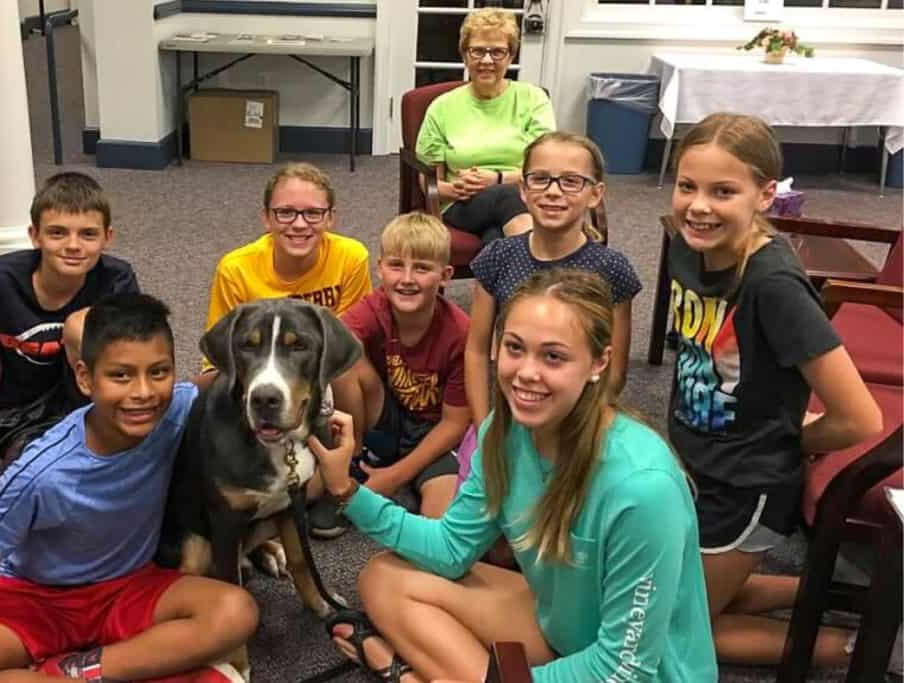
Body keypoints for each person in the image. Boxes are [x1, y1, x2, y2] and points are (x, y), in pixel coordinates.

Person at [310, 269, 718, 683]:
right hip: (564, 627)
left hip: (640, 675)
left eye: (553, 356)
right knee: (383, 578)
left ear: (599, 362)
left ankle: (402, 672)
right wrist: (347, 489)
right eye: (515, 348)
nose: (525, 373)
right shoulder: (502, 434)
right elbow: (451, 549)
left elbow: (624, 669)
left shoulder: (644, 488)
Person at [0, 294, 257, 683]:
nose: (143, 392)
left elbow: (230, 377)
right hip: (37, 600)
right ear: (84, 377)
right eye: (121, 376)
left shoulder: (176, 406)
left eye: (159, 372)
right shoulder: (42, 471)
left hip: (130, 585)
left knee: (235, 611)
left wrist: (320, 414)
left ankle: (72, 670)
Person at [666, 112, 886, 670]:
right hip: (699, 468)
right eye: (687, 186)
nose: (698, 205)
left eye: (723, 192)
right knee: (690, 593)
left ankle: (868, 647)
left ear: (765, 195)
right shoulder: (688, 245)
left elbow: (860, 419)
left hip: (748, 484)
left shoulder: (774, 286)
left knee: (672, 631)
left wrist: (798, 436)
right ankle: (863, 601)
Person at [0, 172, 139, 486]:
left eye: (88, 234)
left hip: (92, 405)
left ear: (107, 237)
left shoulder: (117, 279)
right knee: (45, 480)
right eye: (57, 233)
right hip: (23, 416)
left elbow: (128, 363)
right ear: (35, 236)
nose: (73, 245)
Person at [466, 131, 640, 429]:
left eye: (571, 181)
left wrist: (577, 430)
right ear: (523, 188)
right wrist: (484, 425)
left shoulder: (611, 269)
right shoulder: (497, 257)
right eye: (540, 178)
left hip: (578, 422)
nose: (553, 191)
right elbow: (477, 350)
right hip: (511, 411)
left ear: (596, 194)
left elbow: (614, 373)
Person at [315, 213, 470, 538]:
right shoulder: (374, 308)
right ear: (380, 269)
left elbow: (454, 423)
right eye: (397, 266)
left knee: (440, 527)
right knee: (342, 356)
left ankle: (391, 480)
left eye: (423, 268)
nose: (407, 279)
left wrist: (394, 476)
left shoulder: (460, 332)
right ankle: (352, 463)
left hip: (435, 434)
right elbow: (334, 344)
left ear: (445, 275)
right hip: (384, 419)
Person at [203, 162, 371, 369]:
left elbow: (347, 344)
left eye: (313, 213)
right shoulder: (236, 270)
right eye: (285, 212)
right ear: (266, 218)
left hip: (321, 371)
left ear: (330, 218)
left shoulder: (351, 258)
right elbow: (219, 360)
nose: (299, 224)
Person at [415, 8, 556, 244]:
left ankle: (497, 279)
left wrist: (497, 179)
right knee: (507, 199)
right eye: (478, 51)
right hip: (462, 205)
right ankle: (546, 271)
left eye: (498, 52)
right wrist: (456, 188)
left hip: (525, 198)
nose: (487, 60)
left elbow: (547, 168)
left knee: (495, 239)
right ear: (465, 55)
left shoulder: (534, 99)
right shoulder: (442, 107)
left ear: (511, 57)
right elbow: (429, 180)